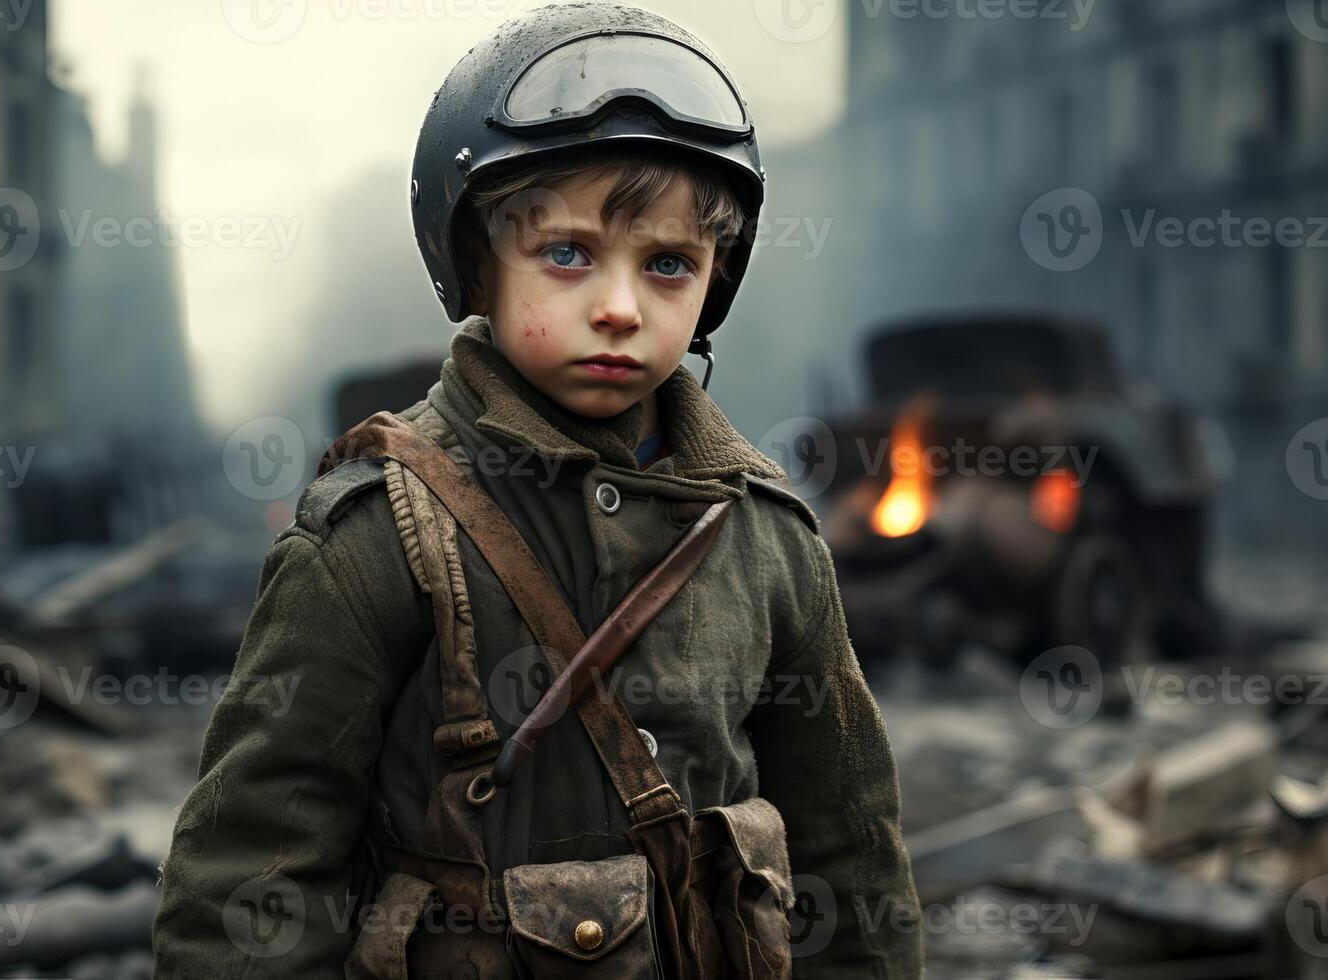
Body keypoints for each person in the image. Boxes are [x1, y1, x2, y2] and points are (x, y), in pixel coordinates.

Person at [152, 3, 923, 977]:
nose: (618, 305)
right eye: (566, 253)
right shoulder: (376, 532)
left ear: (713, 284)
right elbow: (250, 872)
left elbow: (849, 854)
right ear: (475, 259)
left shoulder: (764, 535)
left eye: (669, 265)